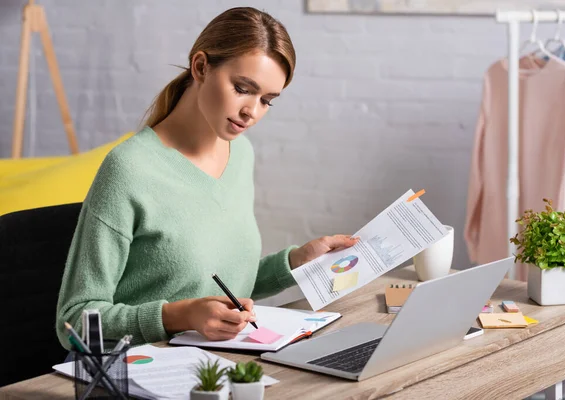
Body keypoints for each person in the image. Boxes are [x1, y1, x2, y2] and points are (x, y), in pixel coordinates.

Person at [55, 6, 358, 350]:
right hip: (134, 370)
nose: (252, 112)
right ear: (200, 66)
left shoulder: (240, 154)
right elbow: (74, 322)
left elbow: (216, 287)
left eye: (267, 101)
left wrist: (295, 262)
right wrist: (180, 316)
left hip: (211, 360)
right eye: (243, 88)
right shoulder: (129, 169)